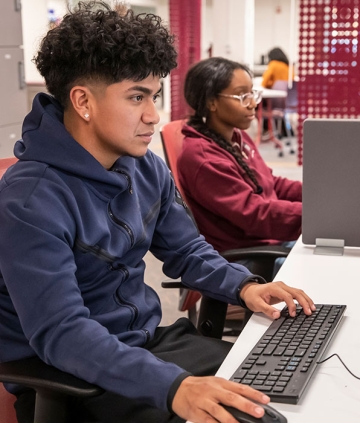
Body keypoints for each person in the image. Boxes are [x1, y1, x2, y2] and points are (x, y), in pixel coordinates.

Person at [0, 3, 315, 423]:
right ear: (82, 101)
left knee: (290, 390)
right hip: (75, 379)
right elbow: (62, 333)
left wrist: (245, 287)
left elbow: (186, 249)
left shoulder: (144, 165)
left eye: (155, 96)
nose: (153, 115)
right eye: (137, 97)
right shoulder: (29, 201)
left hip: (149, 345)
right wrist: (174, 388)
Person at [177, 57, 302, 259]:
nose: (252, 103)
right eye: (242, 96)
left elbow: (269, 183)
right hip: (251, 256)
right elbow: (255, 214)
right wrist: (315, 215)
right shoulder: (204, 159)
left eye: (251, 93)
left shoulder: (237, 136)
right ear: (211, 102)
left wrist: (316, 195)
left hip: (270, 239)